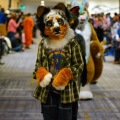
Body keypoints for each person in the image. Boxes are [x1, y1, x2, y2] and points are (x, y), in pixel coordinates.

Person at [32, 3, 84, 120]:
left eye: (59, 22)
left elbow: (79, 65)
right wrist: (41, 73)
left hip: (67, 92)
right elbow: (38, 64)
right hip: (47, 92)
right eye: (50, 23)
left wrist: (66, 74)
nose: (55, 27)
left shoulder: (72, 42)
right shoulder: (43, 44)